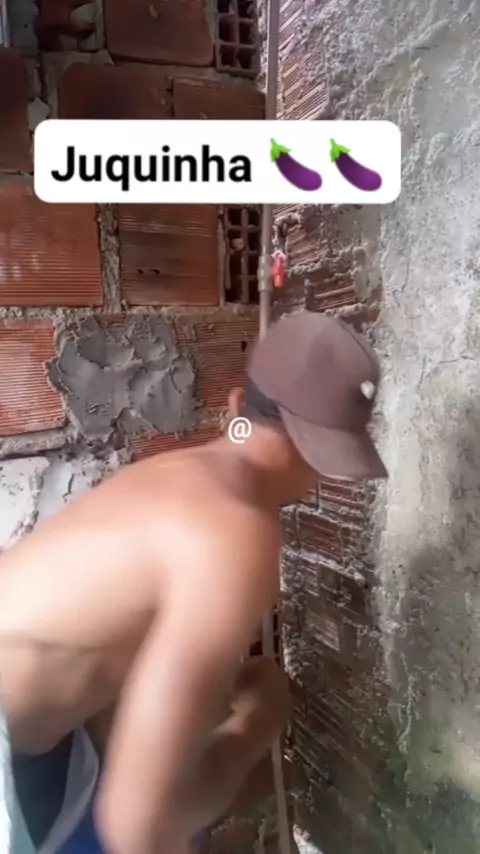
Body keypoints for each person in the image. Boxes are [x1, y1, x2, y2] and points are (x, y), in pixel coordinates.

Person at [0, 311, 387, 854]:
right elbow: (140, 827)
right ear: (324, 458)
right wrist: (258, 719)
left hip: (36, 737)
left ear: (235, 404)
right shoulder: (237, 531)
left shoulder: (173, 473)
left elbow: (107, 676)